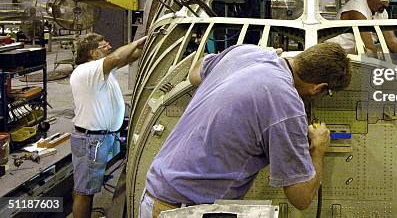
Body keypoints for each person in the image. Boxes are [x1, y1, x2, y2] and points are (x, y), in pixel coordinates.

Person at [140, 42, 351, 217]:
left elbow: (195, 74)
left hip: (153, 196)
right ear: (319, 88)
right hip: (185, 211)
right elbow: (301, 198)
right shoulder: (286, 105)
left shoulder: (247, 52)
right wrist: (318, 150)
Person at [70, 33, 147, 218]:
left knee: (87, 188)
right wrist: (137, 41)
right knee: (84, 191)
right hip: (91, 140)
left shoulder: (101, 72)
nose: (109, 47)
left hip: (100, 138)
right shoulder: (87, 70)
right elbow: (117, 57)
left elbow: (129, 56)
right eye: (104, 46)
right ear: (93, 53)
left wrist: (149, 42)